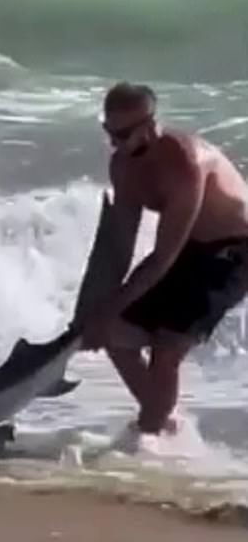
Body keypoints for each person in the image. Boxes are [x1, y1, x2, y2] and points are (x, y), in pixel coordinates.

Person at [81, 81, 248, 435]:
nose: (114, 143)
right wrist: (93, 313)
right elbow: (119, 249)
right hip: (188, 249)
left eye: (123, 134)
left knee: (166, 347)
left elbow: (162, 258)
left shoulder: (183, 162)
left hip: (234, 250)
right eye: (108, 132)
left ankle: (149, 435)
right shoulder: (123, 167)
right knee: (112, 333)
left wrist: (106, 309)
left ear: (149, 125)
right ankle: (161, 423)